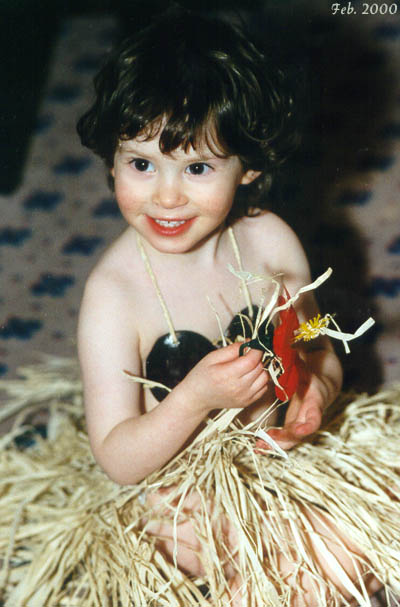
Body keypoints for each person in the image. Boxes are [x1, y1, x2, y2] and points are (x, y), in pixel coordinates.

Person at [76, 7, 381, 605]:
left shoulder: (272, 242)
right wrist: (194, 399)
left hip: (276, 465)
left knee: (367, 536)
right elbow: (117, 458)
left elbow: (315, 338)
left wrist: (317, 389)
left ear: (249, 167)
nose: (167, 195)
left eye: (197, 168)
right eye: (141, 164)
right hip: (177, 498)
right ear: (111, 158)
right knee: (283, 581)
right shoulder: (113, 296)